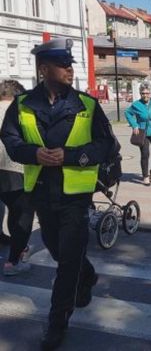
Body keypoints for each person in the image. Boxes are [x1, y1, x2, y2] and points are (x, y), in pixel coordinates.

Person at [0, 38, 117, 350]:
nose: (70, 69)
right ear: (44, 69)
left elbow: (107, 146)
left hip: (75, 196)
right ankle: (88, 275)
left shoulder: (86, 105)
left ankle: (57, 321)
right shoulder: (23, 104)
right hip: (40, 191)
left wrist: (71, 155)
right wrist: (32, 153)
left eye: (70, 64)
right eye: (63, 65)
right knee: (55, 248)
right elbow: (10, 138)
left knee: (67, 263)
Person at [0, 80, 35, 276]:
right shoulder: (21, 111)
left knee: (10, 208)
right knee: (23, 214)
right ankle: (14, 261)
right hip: (15, 170)